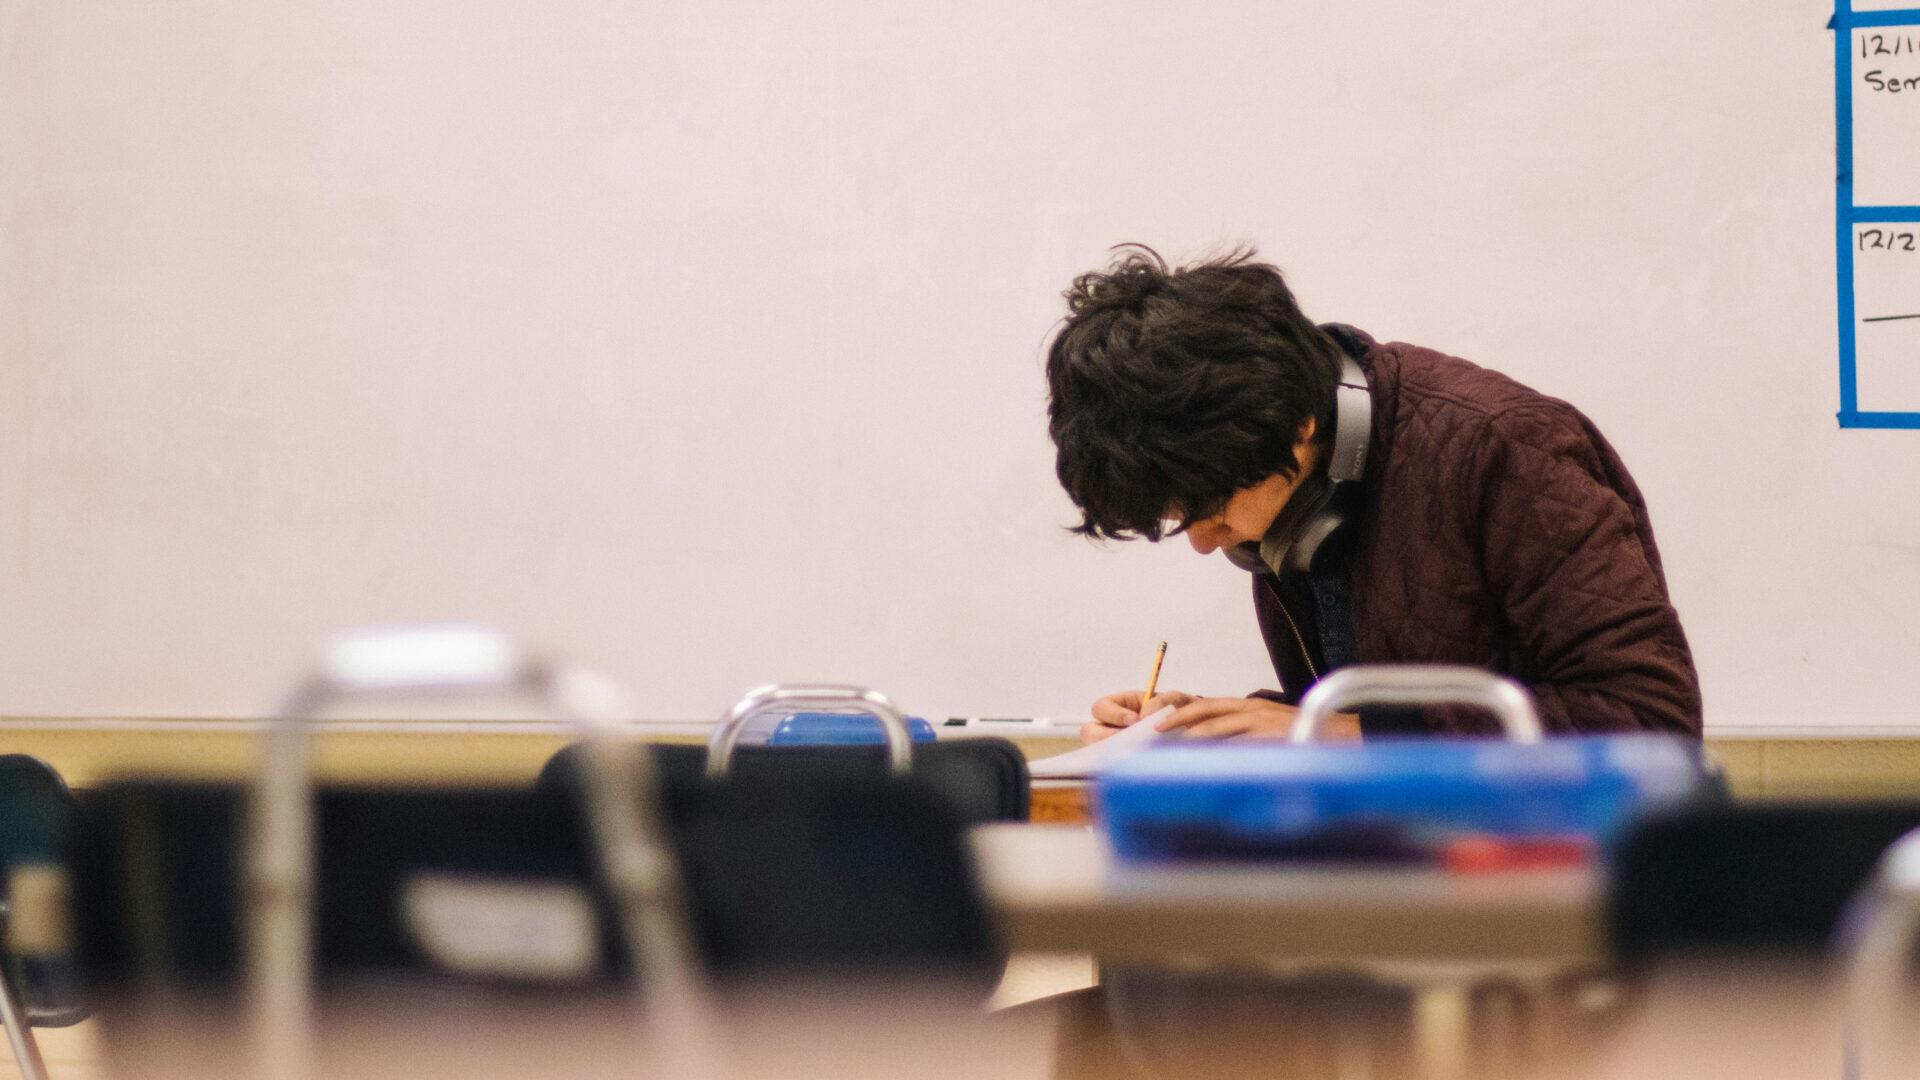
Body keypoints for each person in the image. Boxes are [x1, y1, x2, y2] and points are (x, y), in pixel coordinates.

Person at [1045, 245, 1702, 743]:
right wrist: (1205, 733)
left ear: (1297, 427)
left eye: (1210, 510)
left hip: (1548, 892)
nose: (1202, 543)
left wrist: (1343, 737)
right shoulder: (1298, 491)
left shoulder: (1506, 446)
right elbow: (1376, 706)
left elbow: (1650, 721)